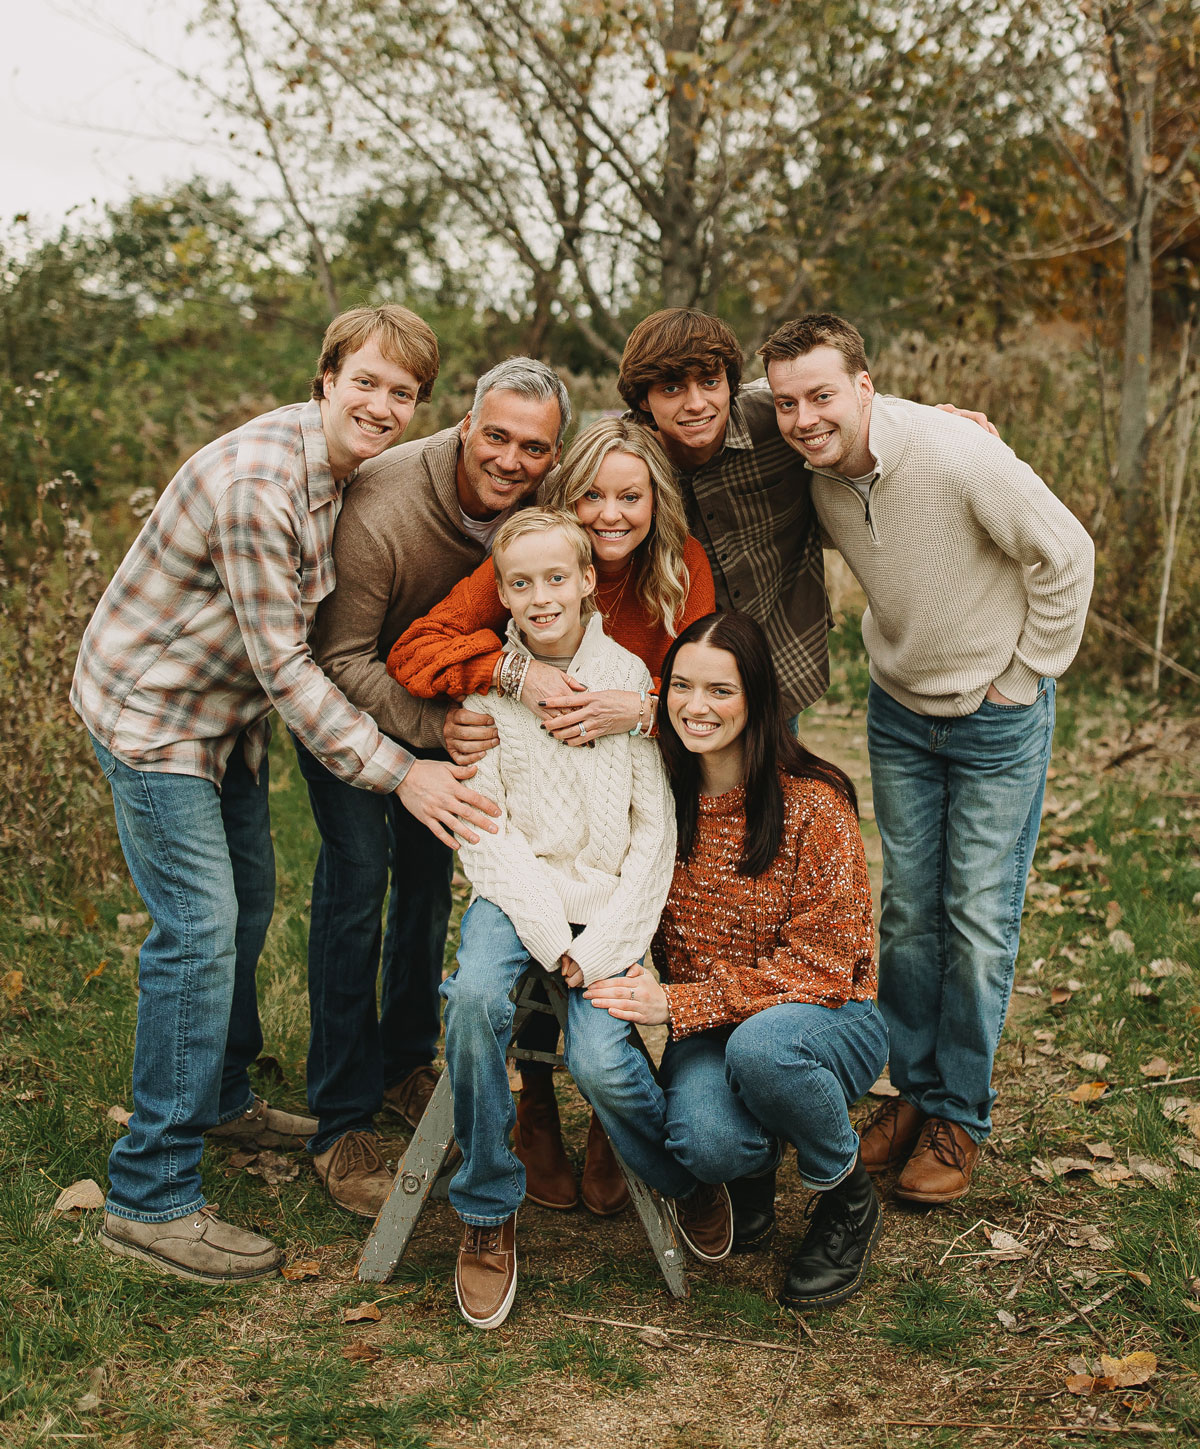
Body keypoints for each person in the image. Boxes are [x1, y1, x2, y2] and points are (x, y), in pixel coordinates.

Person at [71, 305, 498, 1282]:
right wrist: (406, 772)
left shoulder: (338, 470)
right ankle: (150, 1197)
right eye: (368, 382)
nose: (384, 406)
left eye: (403, 392)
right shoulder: (262, 487)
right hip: (155, 713)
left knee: (250, 900)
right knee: (199, 931)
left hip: (221, 715)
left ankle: (218, 1097)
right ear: (326, 378)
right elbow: (290, 671)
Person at [759, 312, 1094, 1204]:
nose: (804, 417)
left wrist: (1025, 675)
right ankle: (910, 1093)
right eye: (788, 402)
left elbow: (1067, 553)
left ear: (866, 386)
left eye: (823, 395)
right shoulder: (816, 467)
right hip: (900, 710)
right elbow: (729, 402)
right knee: (908, 913)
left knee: (978, 919)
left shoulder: (954, 452)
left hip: (995, 715)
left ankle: (960, 1115)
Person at [407, 509, 728, 1330]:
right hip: (515, 900)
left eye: (558, 578)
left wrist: (608, 947)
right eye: (521, 583)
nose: (541, 596)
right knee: (475, 998)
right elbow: (488, 835)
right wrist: (553, 942)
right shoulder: (491, 688)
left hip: (610, 912)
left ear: (590, 581)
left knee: (601, 1058)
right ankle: (486, 1203)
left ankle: (682, 1175)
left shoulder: (626, 686)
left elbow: (654, 838)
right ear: (503, 594)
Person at [298, 357, 570, 1217]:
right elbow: (337, 657)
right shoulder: (385, 505)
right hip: (351, 710)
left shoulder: (543, 505)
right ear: (464, 426)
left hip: (446, 711)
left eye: (534, 446)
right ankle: (340, 1121)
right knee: (358, 880)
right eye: (496, 436)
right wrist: (430, 730)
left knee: (427, 876)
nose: (510, 459)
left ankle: (406, 1057)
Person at [586, 611, 887, 1310]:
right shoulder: (661, 803)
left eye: (720, 690)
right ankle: (755, 1160)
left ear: (756, 696)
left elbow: (826, 964)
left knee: (762, 1050)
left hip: (827, 1017)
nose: (697, 706)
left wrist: (681, 1005)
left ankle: (845, 1195)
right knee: (704, 1142)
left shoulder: (814, 804)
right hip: (716, 1028)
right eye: (682, 686)